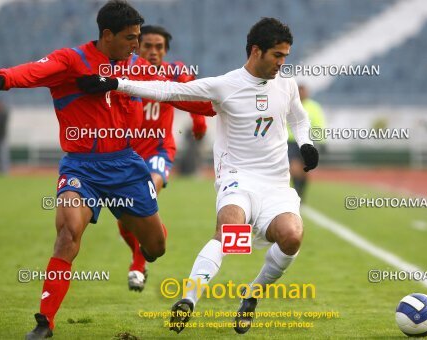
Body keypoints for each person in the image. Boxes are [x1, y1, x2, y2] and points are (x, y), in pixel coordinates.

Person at [78, 17, 319, 335]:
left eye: (286, 56)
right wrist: (116, 84)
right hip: (238, 180)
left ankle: (252, 295)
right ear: (256, 51)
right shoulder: (225, 85)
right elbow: (170, 91)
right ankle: (189, 300)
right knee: (231, 233)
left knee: (292, 236)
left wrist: (306, 144)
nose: (282, 63)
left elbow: (299, 119)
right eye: (277, 55)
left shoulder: (286, 86)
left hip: (276, 185)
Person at [0, 1, 174, 338]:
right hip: (81, 168)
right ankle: (45, 321)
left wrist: (220, 105)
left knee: (156, 247)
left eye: (139, 38)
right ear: (107, 34)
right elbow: (29, 72)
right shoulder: (70, 61)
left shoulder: (137, 67)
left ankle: (143, 244)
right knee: (68, 235)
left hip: (126, 168)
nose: (137, 45)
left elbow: (178, 91)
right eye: (131, 38)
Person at [119, 25, 213, 292]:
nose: (153, 52)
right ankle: (146, 249)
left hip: (159, 152)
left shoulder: (175, 71)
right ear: (137, 47)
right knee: (124, 219)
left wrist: (199, 123)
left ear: (166, 51)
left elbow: (193, 93)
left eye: (159, 47)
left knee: (144, 195)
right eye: (147, 46)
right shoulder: (124, 71)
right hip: (126, 154)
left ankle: (137, 267)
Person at [287, 84, 325, 201]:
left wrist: (322, 141)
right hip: (291, 141)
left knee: (304, 169)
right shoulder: (289, 105)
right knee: (294, 167)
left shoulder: (314, 107)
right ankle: (297, 190)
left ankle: (301, 191)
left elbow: (319, 123)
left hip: (307, 141)